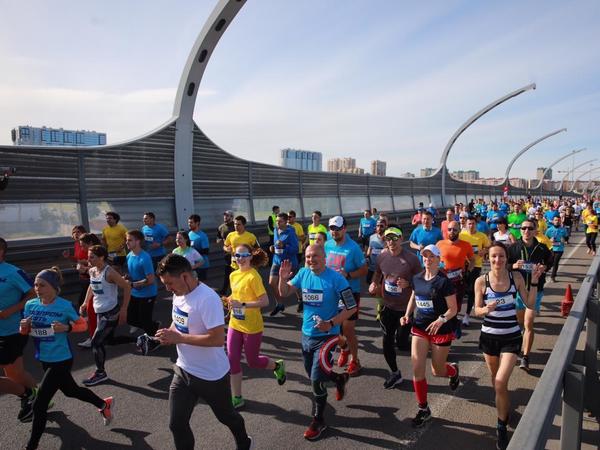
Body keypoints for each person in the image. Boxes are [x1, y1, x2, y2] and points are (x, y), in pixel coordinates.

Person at [154, 254, 252, 450]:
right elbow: (179, 321)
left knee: (226, 417)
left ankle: (244, 441)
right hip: (183, 370)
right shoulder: (178, 294)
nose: (167, 288)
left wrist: (179, 338)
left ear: (184, 277)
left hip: (211, 375)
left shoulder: (207, 299)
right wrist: (167, 334)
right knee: (176, 424)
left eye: (170, 283)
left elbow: (216, 339)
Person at [20, 267, 113, 450]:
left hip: (61, 359)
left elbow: (83, 325)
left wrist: (67, 328)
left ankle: (31, 446)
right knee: (71, 391)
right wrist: (23, 326)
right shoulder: (31, 305)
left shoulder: (64, 305)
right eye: (36, 284)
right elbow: (25, 332)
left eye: (42, 285)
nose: (37, 288)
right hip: (44, 358)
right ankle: (104, 403)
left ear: (54, 287)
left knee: (39, 405)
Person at [278, 245, 355, 441]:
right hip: (307, 335)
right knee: (313, 372)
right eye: (308, 257)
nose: (311, 260)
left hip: (328, 336)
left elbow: (351, 307)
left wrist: (330, 323)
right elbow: (285, 292)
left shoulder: (337, 278)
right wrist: (283, 277)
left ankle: (318, 420)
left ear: (325, 257)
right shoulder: (303, 273)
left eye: (315, 256)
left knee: (315, 379)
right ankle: (339, 379)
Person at [473, 242, 544, 450]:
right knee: (497, 383)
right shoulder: (481, 281)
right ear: (489, 259)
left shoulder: (517, 277)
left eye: (501, 256)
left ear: (507, 258)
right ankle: (504, 409)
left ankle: (501, 425)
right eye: (494, 257)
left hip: (511, 337)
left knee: (500, 382)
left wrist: (535, 283)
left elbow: (529, 303)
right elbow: (476, 310)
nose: (497, 260)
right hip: (489, 338)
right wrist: (485, 308)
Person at [401, 244, 459, 428]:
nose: (427, 259)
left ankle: (453, 371)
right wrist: (407, 314)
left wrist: (441, 320)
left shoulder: (444, 282)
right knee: (417, 367)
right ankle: (423, 408)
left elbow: (453, 309)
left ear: (438, 259)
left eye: (431, 256)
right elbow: (414, 296)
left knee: (437, 370)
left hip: (440, 329)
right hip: (420, 327)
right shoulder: (417, 278)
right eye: (424, 256)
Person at [226, 244, 286, 409]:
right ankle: (237, 397)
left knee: (252, 361)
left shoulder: (254, 276)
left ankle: (277, 365)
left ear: (251, 256)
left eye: (244, 255)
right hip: (235, 323)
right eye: (237, 255)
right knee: (233, 361)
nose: (241, 258)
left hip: (252, 326)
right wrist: (230, 300)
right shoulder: (233, 275)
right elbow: (237, 294)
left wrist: (242, 304)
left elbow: (265, 301)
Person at [369, 226, 421, 388]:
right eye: (387, 238)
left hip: (405, 309)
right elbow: (377, 273)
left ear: (401, 239)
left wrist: (409, 283)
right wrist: (374, 283)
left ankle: (411, 341)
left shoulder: (411, 259)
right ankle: (395, 373)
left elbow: (421, 280)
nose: (391, 241)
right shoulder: (382, 257)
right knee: (387, 340)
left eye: (394, 238)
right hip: (388, 306)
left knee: (401, 342)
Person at [80, 245, 131, 386]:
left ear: (101, 257)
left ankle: (100, 373)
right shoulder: (92, 271)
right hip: (99, 311)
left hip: (110, 312)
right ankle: (139, 340)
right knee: (108, 340)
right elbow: (91, 286)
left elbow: (126, 286)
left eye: (92, 257)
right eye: (88, 256)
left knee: (96, 342)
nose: (88, 259)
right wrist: (85, 302)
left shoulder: (110, 272)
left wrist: (124, 309)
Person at [507, 218, 552, 372]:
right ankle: (521, 341)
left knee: (528, 324)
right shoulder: (513, 248)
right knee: (520, 323)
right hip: (518, 292)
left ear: (535, 230)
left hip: (535, 290)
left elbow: (550, 261)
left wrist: (544, 267)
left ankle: (525, 357)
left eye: (530, 228)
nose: (526, 231)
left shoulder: (542, 247)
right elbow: (503, 265)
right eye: (524, 228)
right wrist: (513, 265)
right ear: (520, 230)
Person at [0, 237, 38, 422]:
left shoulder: (14, 272)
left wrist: (10, 310)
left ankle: (34, 397)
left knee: (15, 373)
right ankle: (32, 396)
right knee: (14, 373)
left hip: (12, 330)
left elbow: (34, 293)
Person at [324, 216, 368, 376]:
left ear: (344, 229)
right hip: (332, 293)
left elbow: (364, 270)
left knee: (348, 329)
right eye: (332, 228)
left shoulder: (353, 248)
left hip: (350, 292)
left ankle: (355, 361)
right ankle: (344, 348)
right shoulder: (327, 244)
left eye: (337, 228)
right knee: (332, 328)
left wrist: (348, 274)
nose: (334, 231)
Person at [436, 221, 474, 337]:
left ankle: (454, 323)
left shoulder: (466, 245)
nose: (452, 232)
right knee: (442, 305)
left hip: (458, 280)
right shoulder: (440, 244)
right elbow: (435, 259)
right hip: (442, 279)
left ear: (459, 231)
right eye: (450, 229)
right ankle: (450, 326)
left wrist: (467, 271)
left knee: (456, 306)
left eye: (455, 230)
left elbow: (472, 260)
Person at [125, 230, 160, 349]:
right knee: (130, 318)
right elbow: (133, 275)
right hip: (135, 293)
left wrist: (133, 284)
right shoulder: (129, 255)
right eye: (127, 240)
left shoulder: (144, 258)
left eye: (130, 240)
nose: (127, 242)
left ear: (138, 241)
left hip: (148, 294)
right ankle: (153, 326)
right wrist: (128, 277)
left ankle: (156, 342)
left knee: (145, 320)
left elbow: (150, 280)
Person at [459, 216, 491, 326]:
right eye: (469, 224)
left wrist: (484, 251)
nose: (471, 226)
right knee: (462, 290)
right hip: (463, 266)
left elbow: (488, 246)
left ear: (476, 225)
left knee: (472, 290)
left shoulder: (481, 236)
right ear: (465, 225)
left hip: (476, 265)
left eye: (473, 224)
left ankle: (467, 315)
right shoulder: (461, 235)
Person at [269, 212, 299, 316]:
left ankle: (301, 299)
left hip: (288, 263)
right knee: (272, 283)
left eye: (280, 221)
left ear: (286, 221)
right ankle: (279, 303)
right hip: (276, 261)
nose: (278, 223)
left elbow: (296, 249)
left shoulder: (290, 232)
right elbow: (276, 244)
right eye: (276, 221)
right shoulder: (275, 230)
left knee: (294, 284)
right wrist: (272, 247)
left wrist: (284, 247)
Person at [76, 233, 102, 349]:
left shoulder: (100, 253)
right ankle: (94, 338)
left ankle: (95, 339)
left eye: (83, 246)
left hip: (102, 294)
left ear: (90, 243)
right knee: (92, 314)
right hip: (95, 289)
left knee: (95, 315)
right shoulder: (92, 254)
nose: (82, 248)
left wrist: (86, 269)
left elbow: (102, 268)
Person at [62, 225, 90, 307]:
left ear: (84, 233)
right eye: (74, 232)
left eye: (78, 232)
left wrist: (82, 262)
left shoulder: (87, 244)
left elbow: (93, 258)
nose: (76, 234)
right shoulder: (76, 244)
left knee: (84, 298)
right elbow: (77, 259)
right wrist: (69, 257)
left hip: (88, 273)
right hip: (81, 274)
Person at [217, 210, 236, 295]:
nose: (225, 217)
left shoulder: (235, 226)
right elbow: (218, 238)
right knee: (227, 272)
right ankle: (224, 290)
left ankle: (236, 291)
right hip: (227, 254)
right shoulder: (221, 227)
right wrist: (220, 240)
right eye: (224, 215)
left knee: (235, 273)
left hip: (236, 254)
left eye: (227, 216)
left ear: (232, 217)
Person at [187, 214, 210, 281]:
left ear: (197, 223)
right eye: (188, 222)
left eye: (191, 222)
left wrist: (193, 251)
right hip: (192, 265)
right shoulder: (189, 234)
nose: (189, 224)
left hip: (202, 265)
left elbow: (206, 251)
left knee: (201, 285)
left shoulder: (202, 236)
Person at [545, 216, 568, 283]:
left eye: (558, 220)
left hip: (559, 248)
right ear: (553, 221)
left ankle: (553, 276)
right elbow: (545, 239)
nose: (557, 221)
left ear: (560, 221)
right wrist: (550, 240)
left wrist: (564, 240)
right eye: (555, 220)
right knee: (550, 262)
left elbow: (566, 238)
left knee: (555, 262)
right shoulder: (549, 229)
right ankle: (545, 273)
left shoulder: (563, 229)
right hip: (551, 248)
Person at [366, 220, 386, 285]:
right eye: (378, 226)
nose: (379, 228)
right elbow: (370, 247)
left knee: (380, 286)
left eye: (381, 226)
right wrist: (368, 256)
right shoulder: (372, 237)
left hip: (383, 269)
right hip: (372, 267)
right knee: (369, 283)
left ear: (385, 227)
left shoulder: (388, 238)